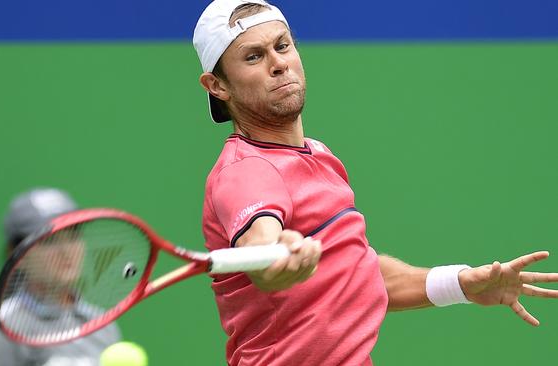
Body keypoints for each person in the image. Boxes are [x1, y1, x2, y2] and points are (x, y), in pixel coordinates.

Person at [193, 1, 558, 365]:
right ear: (217, 85)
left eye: (283, 46)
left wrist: (460, 283)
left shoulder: (318, 155)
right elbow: (262, 249)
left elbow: (356, 272)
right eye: (254, 57)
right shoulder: (245, 171)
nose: (278, 64)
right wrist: (276, 255)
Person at [0, 188, 122, 366]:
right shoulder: (5, 328)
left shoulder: (103, 325)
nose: (66, 251)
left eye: (72, 235)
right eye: (49, 240)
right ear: (16, 254)